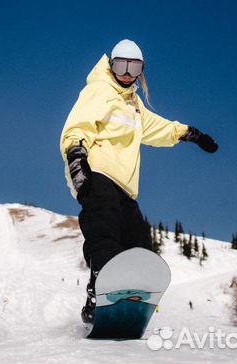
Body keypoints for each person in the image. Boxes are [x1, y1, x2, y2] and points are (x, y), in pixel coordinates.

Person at [60, 39, 218, 323]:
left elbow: (158, 127)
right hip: (95, 173)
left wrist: (190, 134)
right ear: (111, 66)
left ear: (141, 71)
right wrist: (76, 158)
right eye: (121, 65)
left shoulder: (134, 105)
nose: (126, 74)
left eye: (134, 68)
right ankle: (101, 291)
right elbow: (78, 124)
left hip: (125, 187)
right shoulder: (99, 90)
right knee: (104, 228)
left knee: (139, 244)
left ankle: (125, 300)